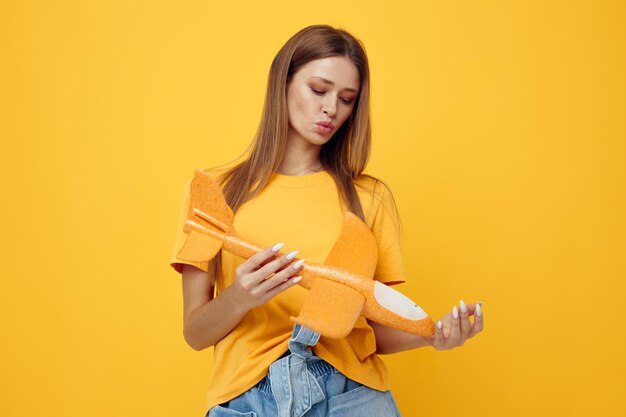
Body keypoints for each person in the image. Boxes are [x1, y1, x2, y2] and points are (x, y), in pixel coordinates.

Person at [169, 24, 484, 417]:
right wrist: (239, 297)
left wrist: (434, 336)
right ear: (282, 83)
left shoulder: (369, 198)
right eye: (318, 90)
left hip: (352, 397)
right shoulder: (216, 192)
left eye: (347, 99)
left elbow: (376, 327)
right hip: (249, 400)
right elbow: (195, 334)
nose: (331, 109)